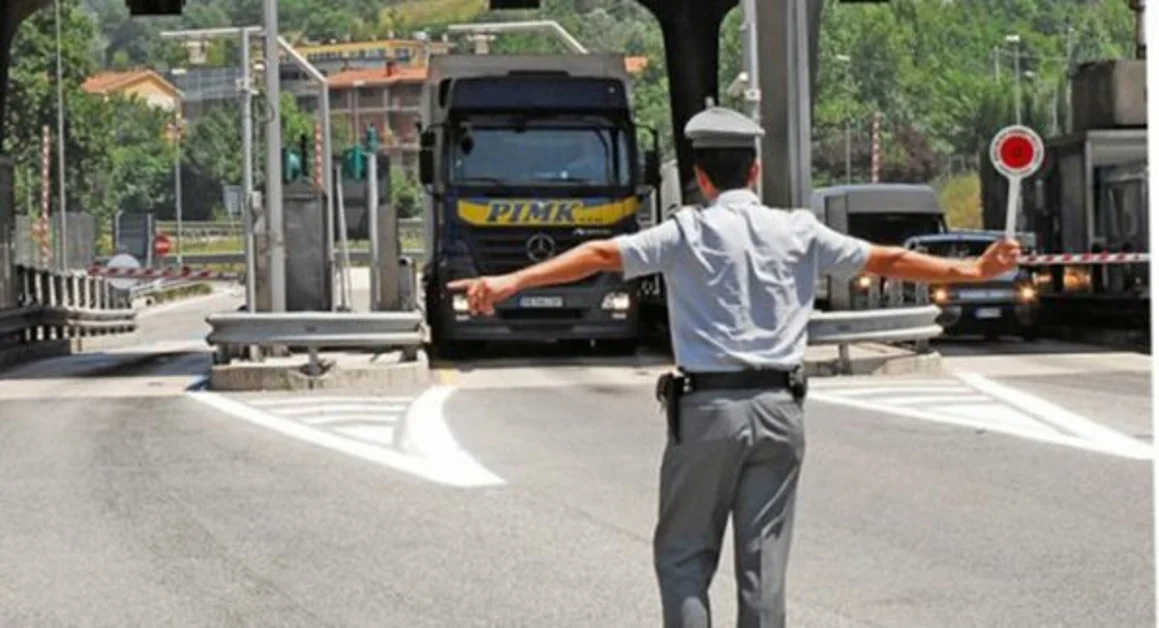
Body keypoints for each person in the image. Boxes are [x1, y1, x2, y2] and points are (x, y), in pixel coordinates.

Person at [446, 106, 1021, 627]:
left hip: (708, 411)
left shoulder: (686, 232)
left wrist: (510, 281)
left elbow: (599, 254)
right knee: (764, 565)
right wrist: (973, 271)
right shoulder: (799, 230)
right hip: (781, 409)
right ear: (755, 173)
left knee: (684, 556)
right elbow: (887, 259)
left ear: (700, 178)